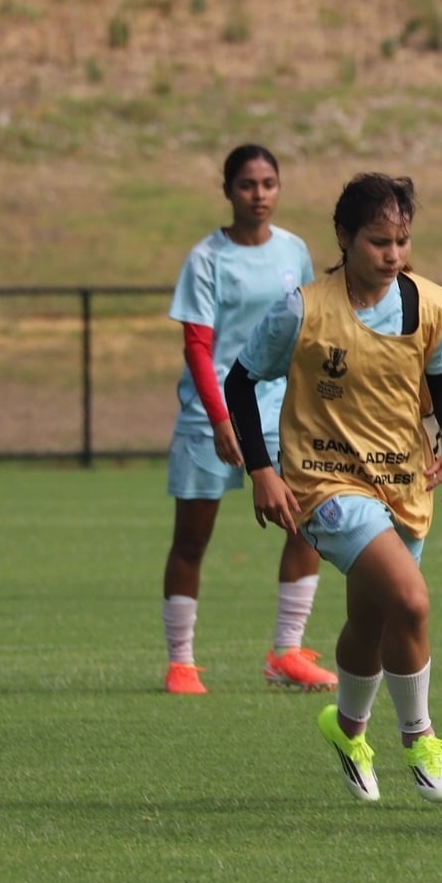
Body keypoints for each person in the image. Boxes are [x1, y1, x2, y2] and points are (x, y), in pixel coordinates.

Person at [223, 173, 442, 805]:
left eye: (402, 241)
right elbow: (240, 381)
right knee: (411, 601)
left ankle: (348, 728)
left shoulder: (429, 306)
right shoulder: (303, 310)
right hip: (326, 482)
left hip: (402, 482)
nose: (393, 255)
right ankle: (419, 738)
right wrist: (261, 470)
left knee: (373, 619)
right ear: (344, 237)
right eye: (378, 242)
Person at [160, 145, 331, 696]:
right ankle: (181, 662)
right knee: (192, 540)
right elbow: (197, 345)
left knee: (308, 521)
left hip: (279, 411)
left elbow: (307, 327)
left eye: (268, 184)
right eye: (247, 185)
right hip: (209, 416)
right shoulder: (206, 258)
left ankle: (287, 652)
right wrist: (220, 419)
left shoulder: (294, 250)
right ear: (228, 191)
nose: (259, 195)